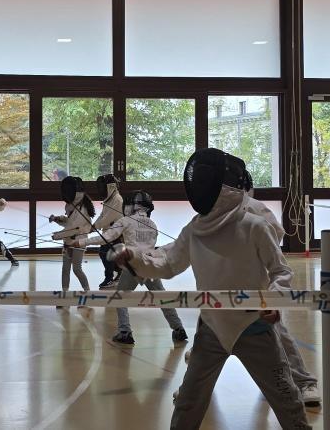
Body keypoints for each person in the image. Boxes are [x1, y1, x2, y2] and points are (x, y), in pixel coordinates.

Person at [114, 148, 310, 430]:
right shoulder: (194, 230)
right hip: (212, 329)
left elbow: (281, 271)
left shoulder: (254, 226)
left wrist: (274, 300)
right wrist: (134, 257)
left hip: (253, 327)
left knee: (286, 398)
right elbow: (167, 265)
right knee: (189, 401)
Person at [242, 172, 321, 407]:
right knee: (211, 332)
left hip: (256, 284)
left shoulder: (254, 207)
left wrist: (253, 247)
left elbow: (276, 233)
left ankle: (305, 382)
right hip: (223, 286)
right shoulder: (211, 210)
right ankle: (191, 388)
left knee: (276, 332)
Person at [84, 190, 187, 345]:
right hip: (150, 266)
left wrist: (80, 242)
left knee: (120, 297)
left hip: (132, 265)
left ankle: (124, 331)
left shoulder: (125, 220)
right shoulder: (153, 224)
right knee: (163, 298)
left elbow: (106, 238)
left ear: (132, 205)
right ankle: (178, 329)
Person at [50, 176, 94, 301]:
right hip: (68, 241)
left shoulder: (83, 209)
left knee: (77, 269)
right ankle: (65, 293)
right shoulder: (73, 206)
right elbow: (69, 222)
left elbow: (73, 227)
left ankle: (88, 292)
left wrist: (57, 235)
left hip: (78, 242)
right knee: (65, 269)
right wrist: (57, 219)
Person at [94, 174, 124, 289]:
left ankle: (109, 278)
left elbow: (108, 218)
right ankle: (119, 272)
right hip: (108, 232)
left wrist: (95, 226)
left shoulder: (117, 199)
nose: (101, 190)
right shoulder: (109, 199)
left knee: (105, 254)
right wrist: (94, 225)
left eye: (102, 187)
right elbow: (103, 215)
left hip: (116, 233)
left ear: (110, 187)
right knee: (107, 254)